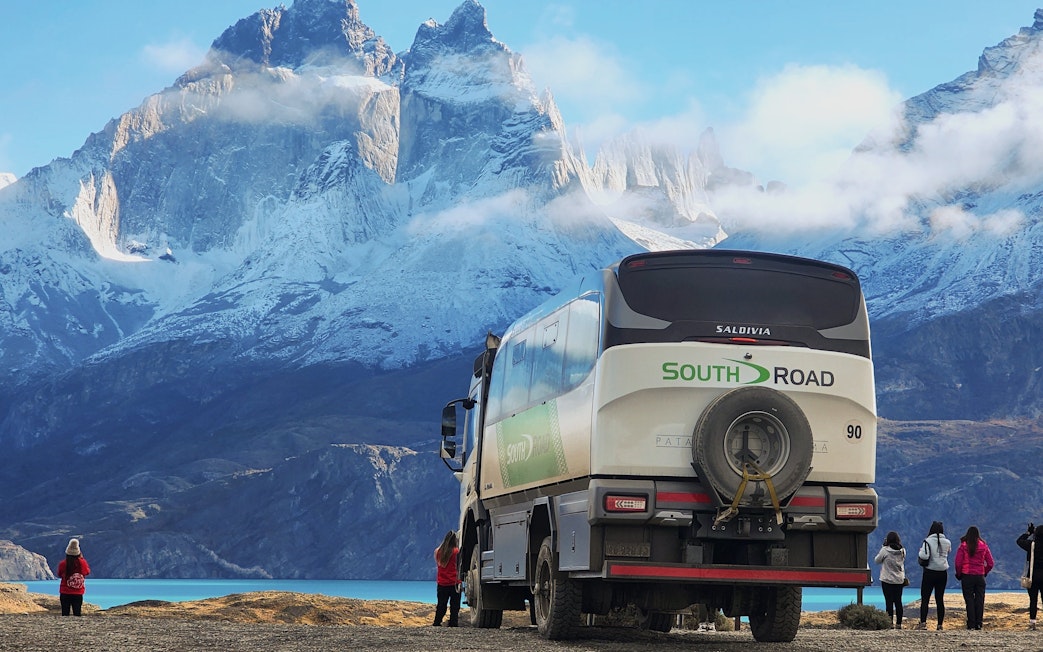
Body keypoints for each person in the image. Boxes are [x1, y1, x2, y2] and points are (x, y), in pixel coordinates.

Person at [954, 525, 994, 630]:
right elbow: (990, 563)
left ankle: (971, 623)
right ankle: (979, 623)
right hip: (980, 576)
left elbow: (958, 563)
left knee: (969, 600)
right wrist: (984, 572)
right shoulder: (984, 546)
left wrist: (959, 574)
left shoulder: (963, 546)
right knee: (980, 600)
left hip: (967, 575)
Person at [915, 520, 951, 630]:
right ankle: (940, 625)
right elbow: (948, 552)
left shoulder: (927, 541)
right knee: (939, 599)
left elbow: (924, 556)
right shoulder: (947, 542)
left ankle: (923, 623)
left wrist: (921, 551)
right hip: (942, 573)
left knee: (925, 598)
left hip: (929, 572)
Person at [874, 530, 907, 629]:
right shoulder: (902, 551)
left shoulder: (885, 550)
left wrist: (883, 547)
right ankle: (899, 624)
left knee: (889, 602)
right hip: (899, 580)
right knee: (898, 601)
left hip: (887, 579)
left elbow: (877, 560)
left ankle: (889, 623)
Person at [1017, 521, 1043, 631]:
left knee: (1033, 600)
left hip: (1033, 576)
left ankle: (1032, 623)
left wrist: (1028, 533)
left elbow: (1019, 541)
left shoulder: (1031, 545)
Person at [432, 531, 461, 627]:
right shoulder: (456, 552)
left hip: (442, 583)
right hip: (454, 582)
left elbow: (439, 565)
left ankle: (437, 622)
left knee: (441, 605)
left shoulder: (438, 551)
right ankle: (453, 623)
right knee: (455, 606)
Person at [56, 537, 90, 616]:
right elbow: (87, 572)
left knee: (65, 614)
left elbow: (59, 574)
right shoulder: (83, 563)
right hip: (78, 592)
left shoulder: (63, 564)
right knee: (77, 614)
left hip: (65, 592)